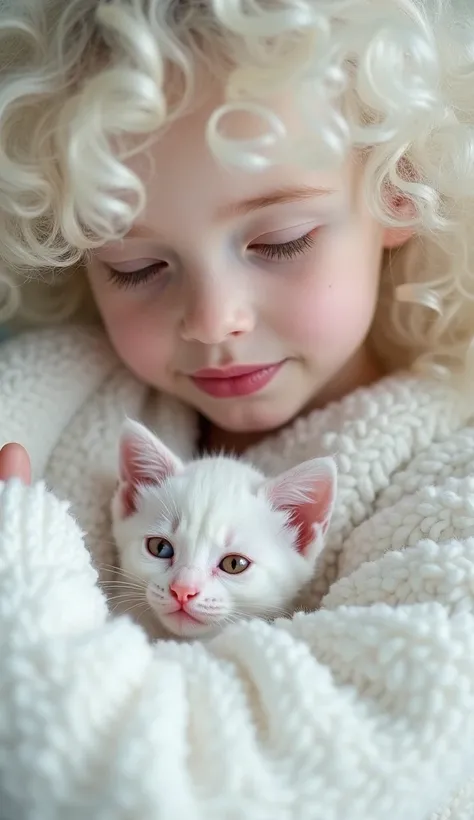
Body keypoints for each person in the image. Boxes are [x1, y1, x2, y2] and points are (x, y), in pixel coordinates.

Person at [1, 0, 474, 817]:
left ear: (401, 189)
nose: (214, 321)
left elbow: (212, 785)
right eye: (138, 265)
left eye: (280, 240)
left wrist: (16, 549)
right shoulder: (49, 393)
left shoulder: (452, 495)